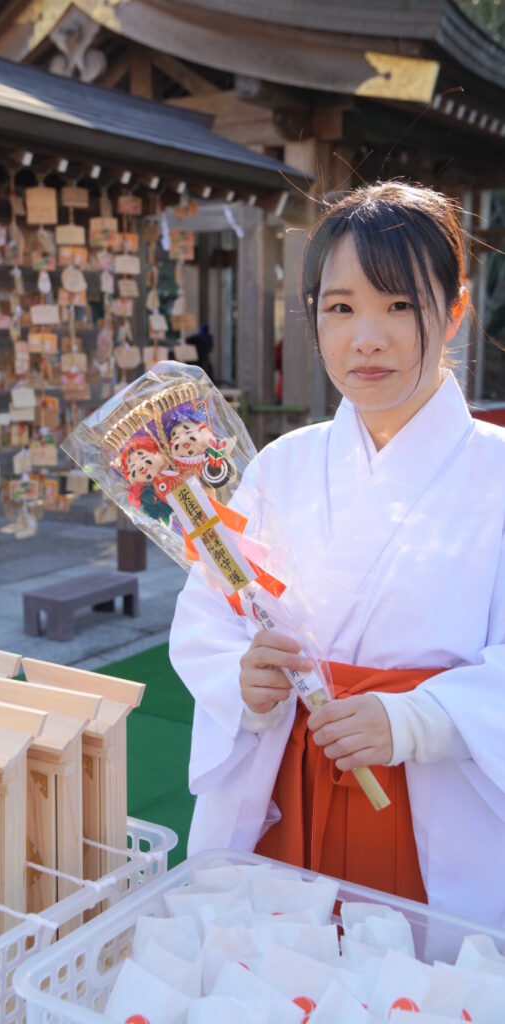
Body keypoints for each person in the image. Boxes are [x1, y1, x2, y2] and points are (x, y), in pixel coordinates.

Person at [169, 181, 505, 927]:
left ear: (453, 312)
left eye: (398, 306)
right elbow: (212, 614)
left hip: (430, 797)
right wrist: (243, 677)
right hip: (291, 781)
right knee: (279, 967)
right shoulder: (282, 466)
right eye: (341, 308)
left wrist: (417, 720)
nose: (366, 339)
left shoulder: (498, 472)